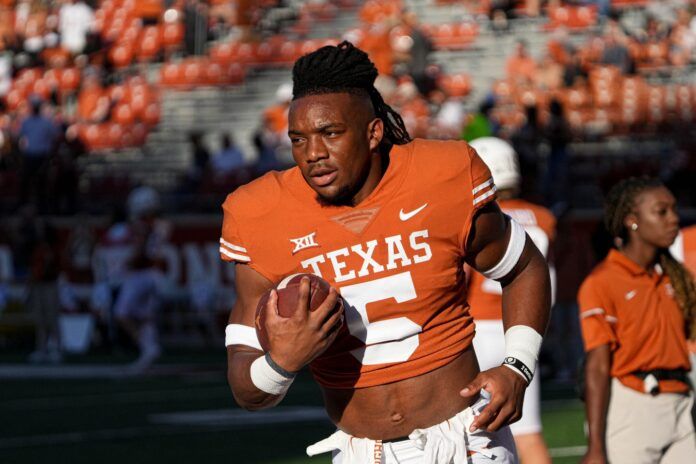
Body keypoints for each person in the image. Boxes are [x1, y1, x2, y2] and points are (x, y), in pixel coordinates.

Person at [220, 41, 551, 463]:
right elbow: (246, 390)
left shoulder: (440, 175)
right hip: (362, 452)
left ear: (373, 131)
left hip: (467, 440)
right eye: (298, 140)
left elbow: (523, 267)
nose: (313, 154)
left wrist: (518, 367)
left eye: (330, 133)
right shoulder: (260, 213)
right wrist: (281, 363)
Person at [578, 177, 696, 464]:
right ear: (632, 221)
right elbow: (597, 365)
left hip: (683, 406)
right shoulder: (602, 281)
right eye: (661, 211)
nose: (673, 219)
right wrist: (595, 446)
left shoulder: (676, 276)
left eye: (674, 210)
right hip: (632, 408)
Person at [466, 137, 554, 464]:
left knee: (466, 434)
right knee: (529, 432)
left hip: (476, 331)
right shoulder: (544, 217)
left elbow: (461, 277)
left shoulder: (479, 217)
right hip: (522, 329)